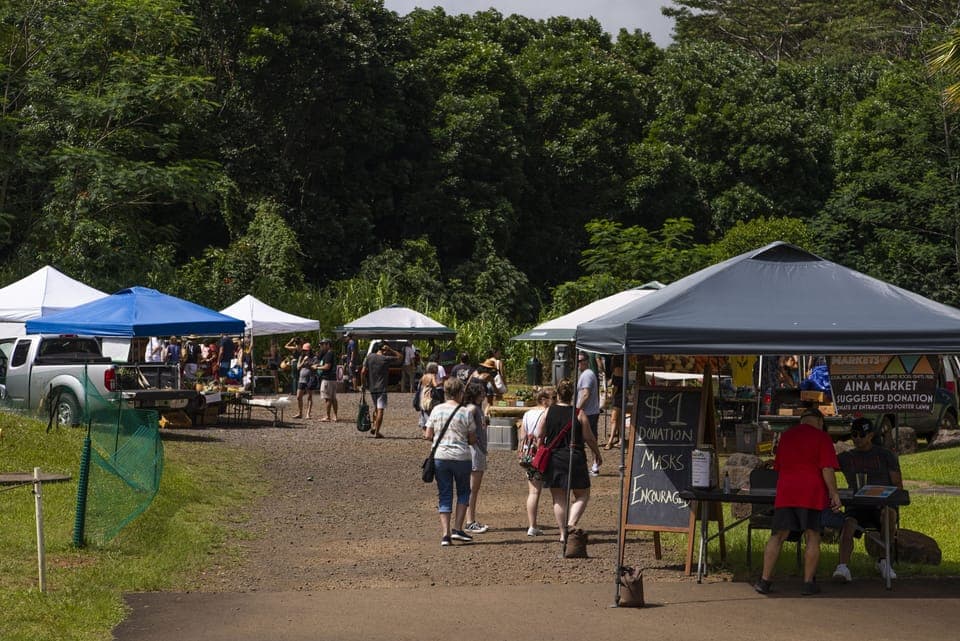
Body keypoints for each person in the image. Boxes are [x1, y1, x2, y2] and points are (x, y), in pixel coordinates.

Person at [754, 407, 841, 596]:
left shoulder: (786, 436)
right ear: (820, 422)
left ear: (801, 420)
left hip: (786, 492)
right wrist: (834, 493)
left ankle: (764, 581)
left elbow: (779, 466)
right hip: (811, 493)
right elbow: (827, 468)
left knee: (778, 536)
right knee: (812, 535)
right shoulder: (822, 437)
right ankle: (808, 583)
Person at [832, 417, 903, 583]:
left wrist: (889, 497)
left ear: (870, 435)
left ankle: (884, 561)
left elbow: (898, 484)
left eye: (861, 435)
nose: (857, 438)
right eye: (854, 435)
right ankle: (842, 567)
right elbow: (826, 467)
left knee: (889, 515)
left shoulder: (885, 455)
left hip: (882, 504)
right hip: (857, 506)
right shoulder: (846, 457)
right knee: (848, 524)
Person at [534, 378, 602, 544]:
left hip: (554, 458)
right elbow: (589, 437)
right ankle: (571, 523)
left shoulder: (548, 412)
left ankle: (563, 534)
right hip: (575, 457)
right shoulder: (579, 413)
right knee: (583, 494)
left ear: (557, 394)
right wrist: (597, 453)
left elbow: (539, 434)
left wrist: (540, 447)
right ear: (572, 395)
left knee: (559, 498)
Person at [425, 377, 477, 546]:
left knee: (445, 494)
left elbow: (428, 435)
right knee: (463, 492)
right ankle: (458, 529)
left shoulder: (437, 409)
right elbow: (472, 439)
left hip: (441, 457)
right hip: (462, 457)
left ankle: (445, 534)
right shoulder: (466, 412)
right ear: (460, 393)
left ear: (446, 393)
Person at [520, 388, 553, 536]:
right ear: (544, 400)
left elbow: (522, 437)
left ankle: (532, 525)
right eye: (552, 398)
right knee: (558, 492)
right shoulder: (548, 413)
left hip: (530, 455)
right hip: (544, 453)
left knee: (533, 492)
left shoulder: (527, 414)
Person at [464, 380, 490, 535]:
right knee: (473, 489)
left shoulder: (478, 408)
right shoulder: (472, 408)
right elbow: (465, 424)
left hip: (478, 450)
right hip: (475, 450)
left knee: (473, 489)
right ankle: (470, 521)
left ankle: (470, 520)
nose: (484, 395)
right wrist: (472, 440)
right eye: (481, 393)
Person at [361, 342, 401, 438]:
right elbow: (400, 357)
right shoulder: (385, 359)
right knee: (380, 410)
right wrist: (391, 349)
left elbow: (363, 372)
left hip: (372, 387)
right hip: (381, 388)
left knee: (376, 408)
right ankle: (377, 432)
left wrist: (363, 384)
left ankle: (374, 425)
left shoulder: (369, 357)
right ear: (384, 350)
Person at [576, 352, 601, 475]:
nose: (578, 364)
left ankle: (595, 464)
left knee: (590, 439)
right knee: (588, 439)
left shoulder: (587, 374)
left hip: (588, 413)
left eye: (580, 361)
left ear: (586, 361)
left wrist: (576, 410)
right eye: (577, 361)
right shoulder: (586, 374)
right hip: (588, 412)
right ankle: (592, 464)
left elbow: (586, 395)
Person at [603, 356, 624, 450]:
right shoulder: (622, 369)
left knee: (613, 419)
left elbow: (615, 386)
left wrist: (610, 396)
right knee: (619, 420)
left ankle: (610, 441)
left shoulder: (617, 370)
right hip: (621, 396)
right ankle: (621, 440)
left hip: (618, 397)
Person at [316, 338, 338, 422]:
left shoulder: (329, 354)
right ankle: (335, 416)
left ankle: (328, 416)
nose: (321, 346)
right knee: (333, 398)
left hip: (327, 378)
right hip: (332, 378)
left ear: (328, 344)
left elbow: (327, 366)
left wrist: (317, 367)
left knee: (328, 398)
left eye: (323, 344)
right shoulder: (330, 353)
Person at [293, 343, 317, 419]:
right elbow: (298, 367)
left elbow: (315, 367)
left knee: (309, 396)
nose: (305, 352)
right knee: (298, 396)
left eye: (307, 350)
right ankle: (300, 413)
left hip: (310, 378)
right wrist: (303, 361)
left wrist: (309, 364)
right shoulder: (301, 357)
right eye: (304, 350)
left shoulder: (314, 358)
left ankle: (308, 414)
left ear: (310, 350)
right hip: (301, 379)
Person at [418, 362, 442, 432]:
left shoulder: (424, 376)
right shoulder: (432, 376)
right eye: (436, 368)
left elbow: (420, 384)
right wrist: (442, 382)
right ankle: (431, 431)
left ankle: (424, 431)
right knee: (431, 413)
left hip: (423, 394)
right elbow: (435, 385)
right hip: (429, 395)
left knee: (424, 413)